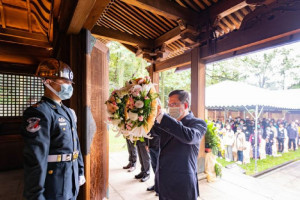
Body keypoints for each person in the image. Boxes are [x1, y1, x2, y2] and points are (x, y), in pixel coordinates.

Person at [21, 59, 85, 200]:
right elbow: (36, 158)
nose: (69, 86)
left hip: (71, 177)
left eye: (70, 83)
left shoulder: (67, 111)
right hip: (54, 183)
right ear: (48, 82)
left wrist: (80, 170)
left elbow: (76, 144)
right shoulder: (39, 112)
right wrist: (36, 195)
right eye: (65, 82)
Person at [154, 90, 207, 200]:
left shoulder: (197, 123)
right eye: (169, 104)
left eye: (174, 104)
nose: (170, 107)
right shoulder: (167, 123)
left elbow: (190, 137)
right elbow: (152, 131)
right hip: (164, 182)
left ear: (186, 105)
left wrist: (163, 118)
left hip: (183, 184)